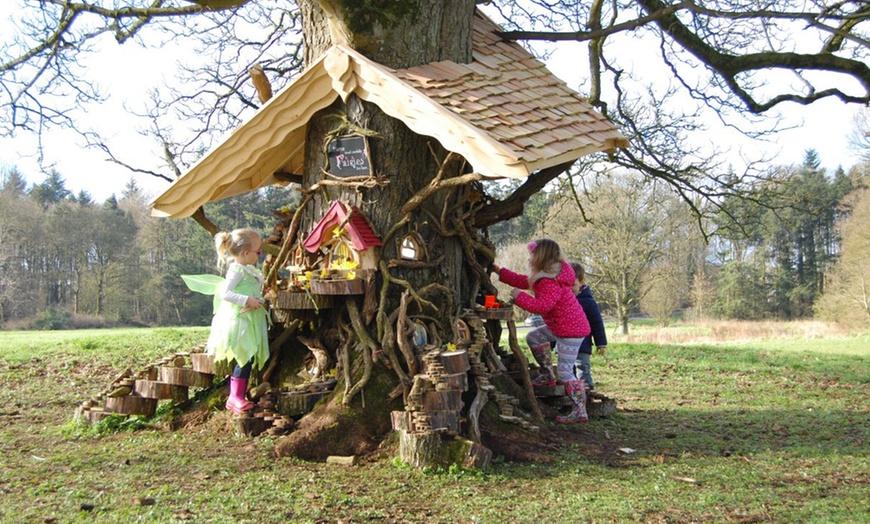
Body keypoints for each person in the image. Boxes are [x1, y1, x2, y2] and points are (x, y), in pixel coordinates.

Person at [492, 238, 592, 423]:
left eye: (532, 255)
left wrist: (518, 296)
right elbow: (524, 280)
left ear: (541, 256)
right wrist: (500, 272)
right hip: (559, 326)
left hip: (571, 330)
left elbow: (542, 306)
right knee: (535, 337)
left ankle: (579, 411)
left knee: (565, 371)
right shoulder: (546, 275)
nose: (529, 258)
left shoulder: (550, 281)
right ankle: (547, 374)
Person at [182, 228, 270, 414]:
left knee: (249, 357)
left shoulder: (248, 269)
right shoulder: (237, 270)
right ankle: (235, 397)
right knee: (244, 357)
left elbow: (250, 291)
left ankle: (238, 395)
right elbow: (226, 293)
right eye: (258, 252)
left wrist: (262, 296)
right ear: (246, 253)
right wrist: (247, 300)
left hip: (251, 319)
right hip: (241, 322)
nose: (259, 255)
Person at [569, 262, 607, 391]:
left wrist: (600, 343)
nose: (569, 289)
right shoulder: (561, 301)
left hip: (582, 345)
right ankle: (573, 394)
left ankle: (587, 392)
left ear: (581, 282)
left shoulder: (588, 303)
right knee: (568, 371)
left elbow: (597, 324)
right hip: (564, 345)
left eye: (572, 285)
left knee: (582, 368)